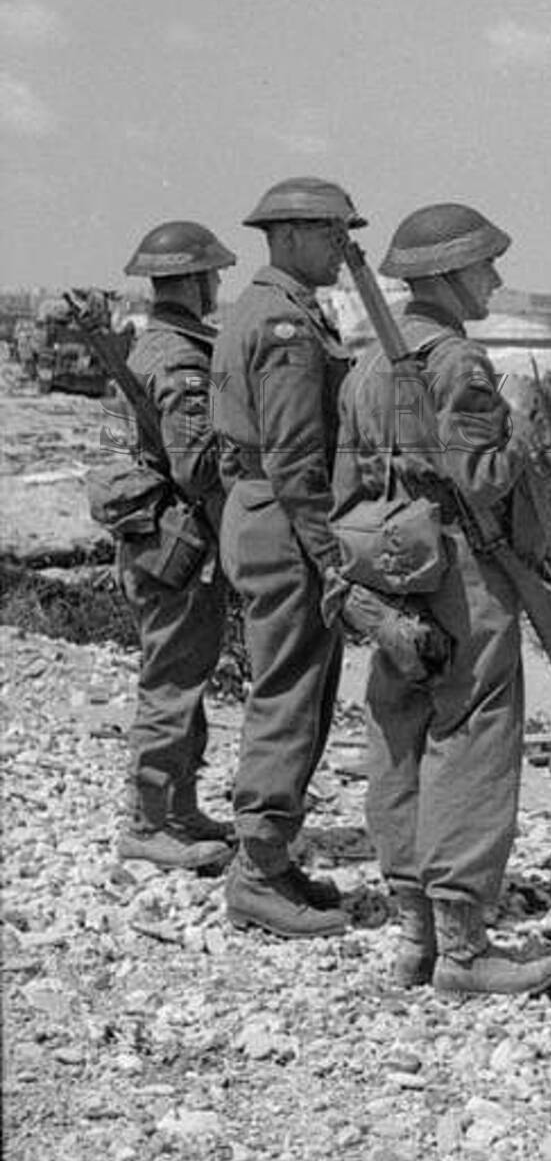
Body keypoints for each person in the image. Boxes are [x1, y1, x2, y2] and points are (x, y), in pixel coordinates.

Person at [333, 203, 551, 996]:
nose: (495, 276)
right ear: (448, 273)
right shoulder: (458, 360)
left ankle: (413, 940)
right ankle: (464, 951)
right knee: (471, 741)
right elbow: (485, 477)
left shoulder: (366, 365)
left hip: (394, 572)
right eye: (484, 264)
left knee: (400, 741)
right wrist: (531, 423)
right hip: (465, 578)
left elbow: (345, 495)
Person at [210, 176, 363, 939]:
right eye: (335, 233)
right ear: (294, 233)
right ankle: (258, 870)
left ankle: (272, 860)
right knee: (290, 695)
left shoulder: (272, 308)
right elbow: (299, 457)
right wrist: (332, 554)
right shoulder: (286, 326)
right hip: (287, 520)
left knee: (295, 686)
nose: (345, 249)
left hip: (265, 512)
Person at [114, 220, 238, 873]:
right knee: (171, 684)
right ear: (191, 280)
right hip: (178, 546)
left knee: (183, 679)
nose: (219, 284)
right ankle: (148, 821)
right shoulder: (183, 358)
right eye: (212, 274)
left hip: (156, 540)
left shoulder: (148, 347)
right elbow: (197, 466)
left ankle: (179, 808)